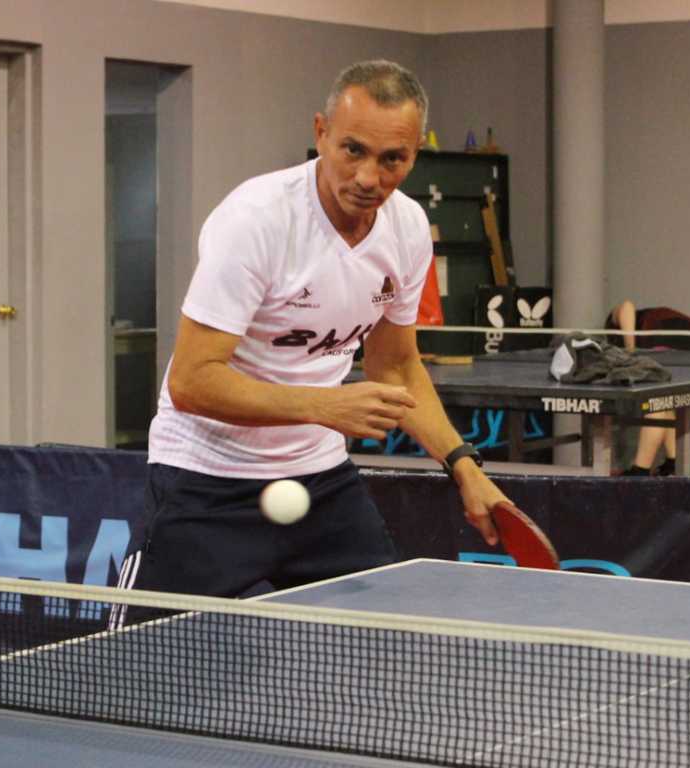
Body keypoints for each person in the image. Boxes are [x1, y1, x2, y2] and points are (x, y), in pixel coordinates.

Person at [116, 60, 511, 606]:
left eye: (392, 158)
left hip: (321, 482)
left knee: (383, 648)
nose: (370, 178)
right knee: (139, 672)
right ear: (321, 132)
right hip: (206, 480)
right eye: (353, 150)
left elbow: (395, 367)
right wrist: (324, 407)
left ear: (414, 152)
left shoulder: (408, 229)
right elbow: (192, 382)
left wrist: (462, 463)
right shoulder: (257, 220)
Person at [606, 300, 690, 476]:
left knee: (655, 401)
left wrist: (630, 350)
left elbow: (627, 306)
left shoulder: (611, 325)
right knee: (666, 402)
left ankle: (640, 470)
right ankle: (673, 462)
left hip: (665, 334)